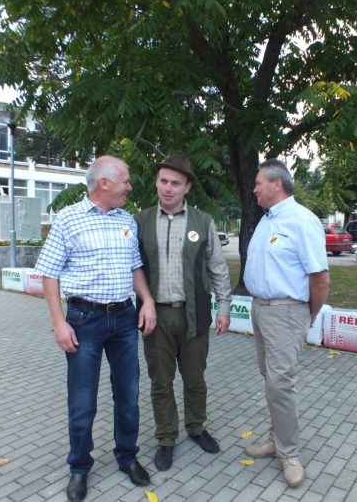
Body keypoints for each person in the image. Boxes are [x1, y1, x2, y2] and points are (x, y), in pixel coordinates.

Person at [35, 155, 156, 502]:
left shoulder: (126, 221)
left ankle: (127, 457)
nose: (130, 187)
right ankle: (79, 467)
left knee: (128, 394)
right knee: (83, 399)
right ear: (104, 183)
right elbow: (49, 274)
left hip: (123, 319)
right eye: (126, 181)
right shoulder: (68, 219)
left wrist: (146, 300)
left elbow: (135, 267)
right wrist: (59, 323)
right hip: (84, 321)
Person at [135, 153, 232, 471]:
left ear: (187, 187)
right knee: (160, 382)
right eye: (163, 180)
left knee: (195, 379)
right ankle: (165, 438)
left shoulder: (202, 221)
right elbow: (132, 268)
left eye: (175, 183)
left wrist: (224, 306)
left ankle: (197, 428)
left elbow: (217, 267)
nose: (168, 188)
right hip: (155, 317)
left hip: (194, 315)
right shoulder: (141, 220)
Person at [243, 158, 330, 488]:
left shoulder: (300, 220)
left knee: (281, 383)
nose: (254, 189)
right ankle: (276, 439)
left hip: (286, 312)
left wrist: (307, 317)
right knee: (270, 380)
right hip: (261, 310)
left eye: (258, 183)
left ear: (276, 184)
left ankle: (290, 453)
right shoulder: (268, 220)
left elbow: (320, 278)